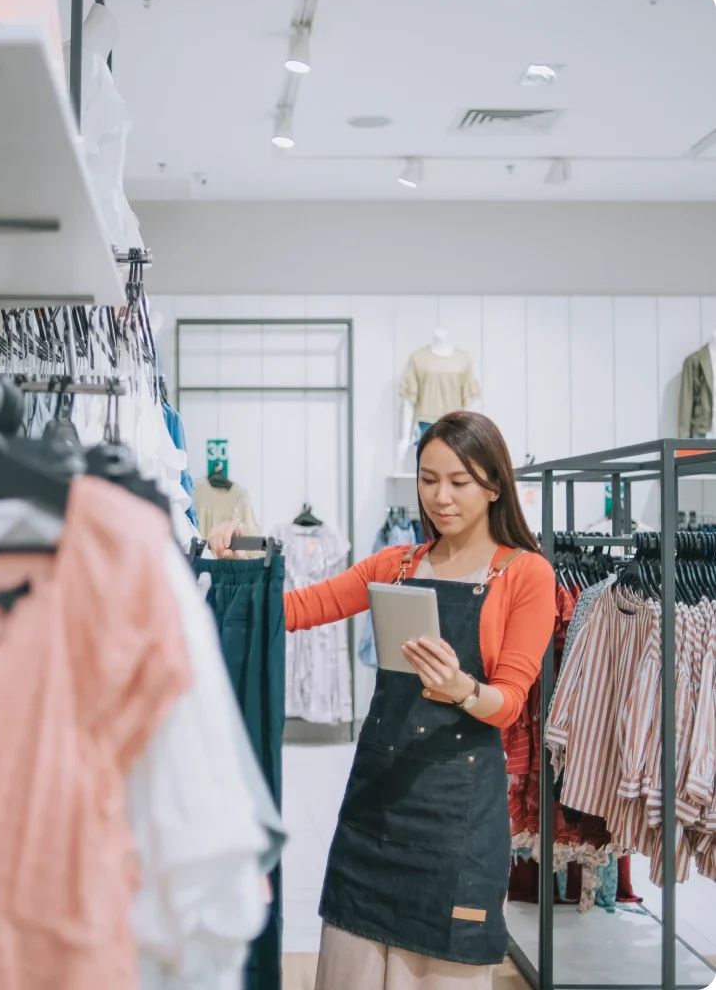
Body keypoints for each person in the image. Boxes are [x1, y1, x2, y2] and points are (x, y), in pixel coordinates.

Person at [208, 411, 555, 990]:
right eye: (427, 479)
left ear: (495, 485)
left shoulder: (526, 575)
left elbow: (511, 703)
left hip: (459, 823)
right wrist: (237, 566)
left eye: (459, 482)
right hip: (374, 809)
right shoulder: (395, 564)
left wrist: (463, 690)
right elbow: (296, 610)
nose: (439, 497)